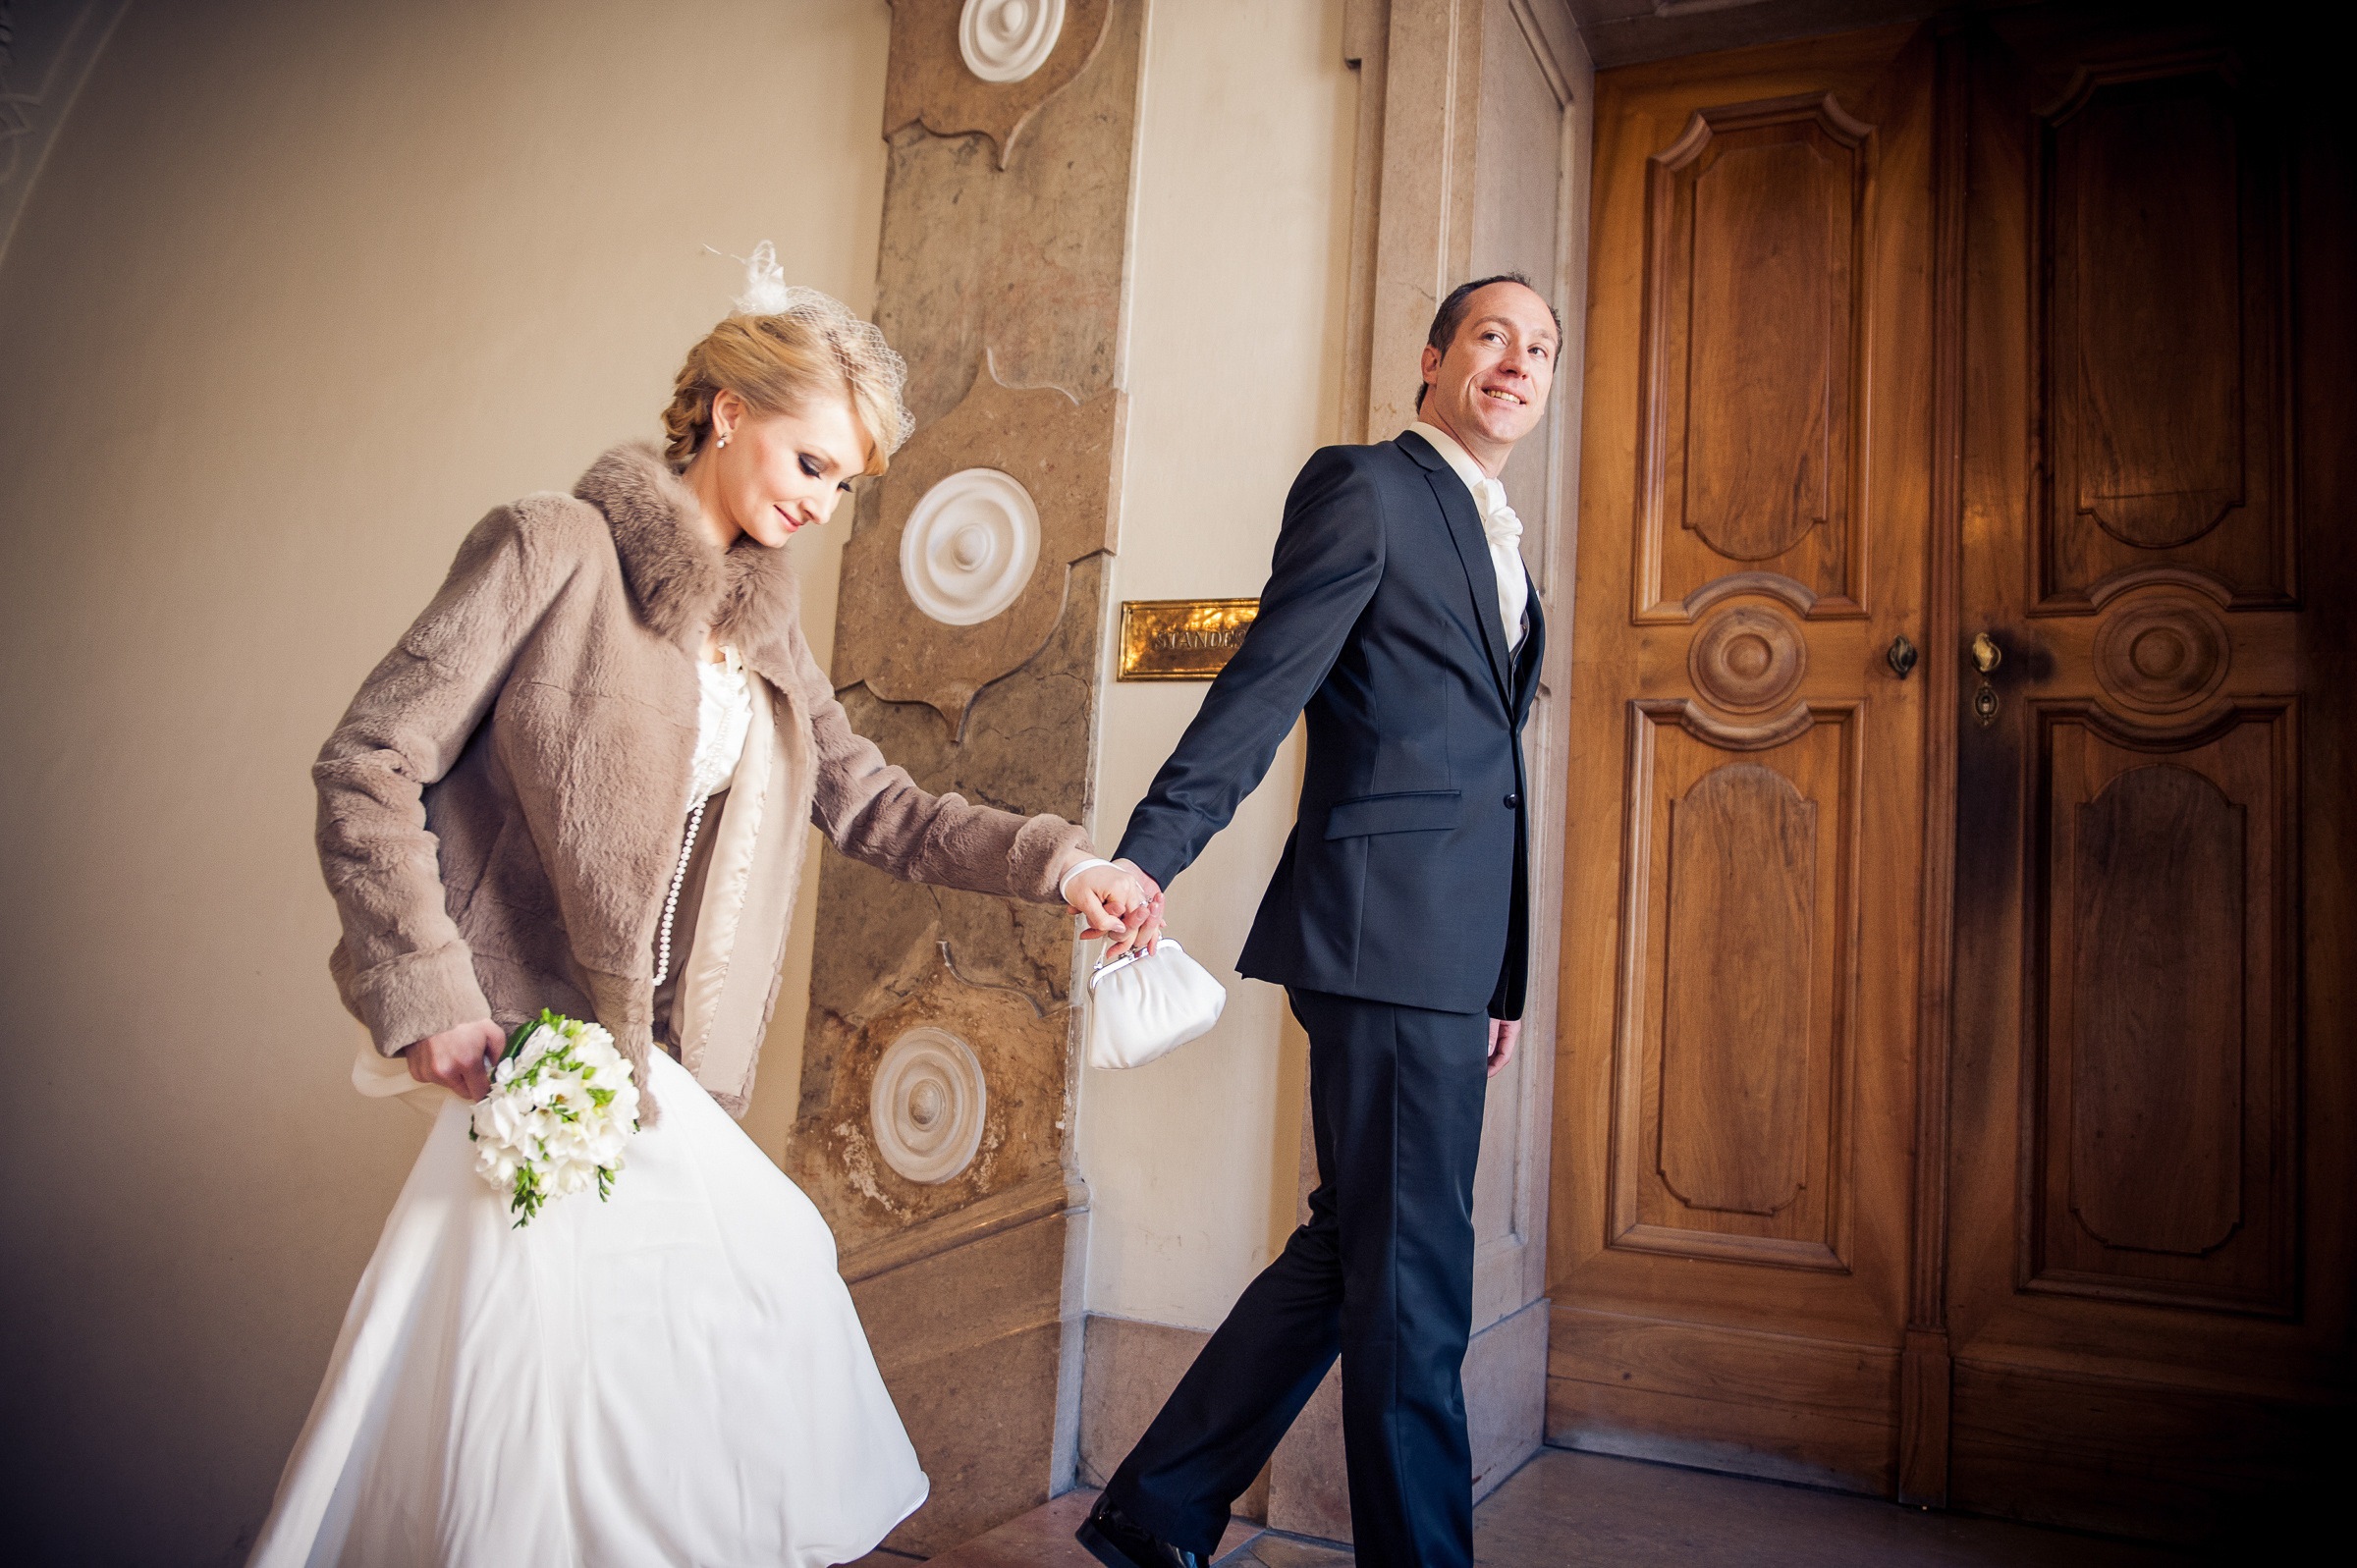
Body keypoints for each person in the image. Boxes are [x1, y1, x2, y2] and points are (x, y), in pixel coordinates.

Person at [247, 261, 1149, 1568]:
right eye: (811, 459)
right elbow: (368, 765)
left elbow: (883, 806)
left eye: (845, 484)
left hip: (653, 1077)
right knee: (537, 1443)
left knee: (631, 1414)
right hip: (531, 1059)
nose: (822, 501)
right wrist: (428, 996)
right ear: (727, 411)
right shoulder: (552, 549)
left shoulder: (770, 645)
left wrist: (1068, 865)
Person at [1078, 275, 1560, 1568]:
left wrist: (1501, 973)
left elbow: (1486, 776)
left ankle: (1159, 1505)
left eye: (1542, 349)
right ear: (1435, 356)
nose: (1520, 361)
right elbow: (1264, 683)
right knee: (1415, 1284)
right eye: (1494, 337)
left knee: (1356, 1247)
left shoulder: (1502, 537)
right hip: (1381, 930)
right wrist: (1146, 855)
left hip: (1446, 951)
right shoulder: (1368, 487)